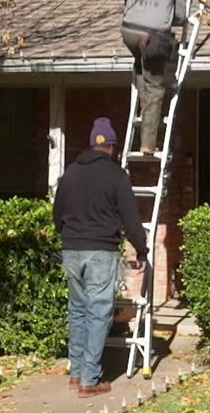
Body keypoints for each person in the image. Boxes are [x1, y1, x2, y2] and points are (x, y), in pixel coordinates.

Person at [53, 116, 149, 395]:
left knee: (78, 311)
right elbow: (131, 219)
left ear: (91, 143)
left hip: (72, 250)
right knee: (98, 313)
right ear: (112, 146)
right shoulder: (117, 176)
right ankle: (90, 379)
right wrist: (141, 249)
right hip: (100, 250)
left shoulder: (70, 172)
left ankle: (77, 372)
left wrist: (67, 235)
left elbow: (57, 214)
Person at [120, 0, 189, 156]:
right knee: (156, 87)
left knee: (142, 68)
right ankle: (148, 143)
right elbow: (180, 15)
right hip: (153, 37)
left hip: (129, 32)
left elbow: (127, 3)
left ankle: (144, 102)